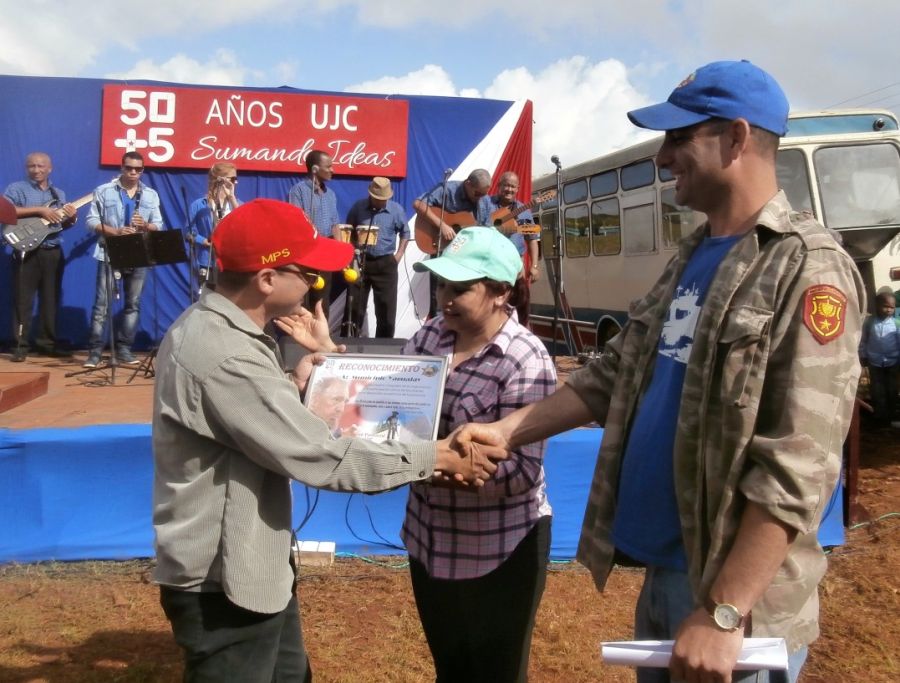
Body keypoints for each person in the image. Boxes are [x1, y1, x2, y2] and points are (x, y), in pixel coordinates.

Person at [457, 60, 865, 683]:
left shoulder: (808, 269)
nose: (662, 158)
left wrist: (725, 610)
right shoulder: (693, 257)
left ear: (735, 138)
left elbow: (799, 464)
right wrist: (508, 431)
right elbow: (615, 374)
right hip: (668, 576)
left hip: (732, 607)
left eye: (679, 139)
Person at [152, 199, 507, 682]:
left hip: (253, 566)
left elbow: (258, 426)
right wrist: (436, 454)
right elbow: (322, 458)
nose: (319, 283)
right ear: (267, 280)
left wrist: (299, 383)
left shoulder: (223, 333)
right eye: (309, 271)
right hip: (225, 583)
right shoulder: (225, 355)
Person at [403, 226, 557, 682]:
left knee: (497, 673)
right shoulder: (431, 336)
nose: (445, 297)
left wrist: (431, 464)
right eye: (441, 284)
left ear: (500, 293)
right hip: (428, 537)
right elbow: (393, 404)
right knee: (450, 667)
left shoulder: (526, 359)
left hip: (499, 548)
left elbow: (522, 472)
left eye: (460, 288)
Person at [83, 151, 163, 367]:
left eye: (138, 169)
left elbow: (158, 224)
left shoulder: (150, 195)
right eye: (129, 168)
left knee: (133, 304)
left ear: (143, 170)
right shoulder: (104, 191)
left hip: (138, 252)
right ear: (122, 167)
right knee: (101, 305)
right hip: (110, 250)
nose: (133, 172)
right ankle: (95, 352)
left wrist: (145, 226)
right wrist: (115, 231)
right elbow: (91, 221)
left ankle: (124, 349)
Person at [4, 152, 77, 362]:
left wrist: (70, 219)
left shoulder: (59, 193)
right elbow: (6, 212)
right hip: (25, 251)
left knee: (50, 300)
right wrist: (40, 210)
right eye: (31, 166)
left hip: (52, 250)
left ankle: (47, 344)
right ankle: (20, 345)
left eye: (40, 166)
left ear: (49, 168)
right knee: (23, 301)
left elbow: (59, 225)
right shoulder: (16, 189)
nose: (36, 170)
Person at [413, 169, 492, 316]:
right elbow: (418, 204)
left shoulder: (484, 201)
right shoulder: (448, 189)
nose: (480, 198)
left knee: (464, 294)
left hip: (467, 255)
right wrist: (442, 225)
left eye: (484, 194)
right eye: (477, 193)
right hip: (443, 250)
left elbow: (487, 228)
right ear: (468, 183)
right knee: (440, 294)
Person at [344, 176, 409, 337]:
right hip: (361, 261)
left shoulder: (396, 210)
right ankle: (350, 341)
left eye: (384, 199)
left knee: (386, 307)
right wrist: (352, 254)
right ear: (371, 196)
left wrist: (399, 255)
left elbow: (405, 233)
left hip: (386, 262)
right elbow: (348, 230)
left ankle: (384, 344)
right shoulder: (359, 208)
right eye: (379, 199)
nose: (382, 202)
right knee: (354, 305)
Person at [288, 150, 341, 316]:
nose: (333, 170)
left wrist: (338, 249)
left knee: (322, 298)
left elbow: (335, 224)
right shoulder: (298, 191)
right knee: (303, 297)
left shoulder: (330, 194)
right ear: (315, 169)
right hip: (306, 251)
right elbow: (296, 222)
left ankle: (321, 336)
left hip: (325, 252)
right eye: (329, 166)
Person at [483, 171, 541, 325]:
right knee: (489, 309)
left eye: (512, 186)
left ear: (518, 189)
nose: (509, 189)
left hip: (515, 269)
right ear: (499, 186)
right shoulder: (485, 204)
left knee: (519, 310)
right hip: (489, 267)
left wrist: (534, 265)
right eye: (506, 185)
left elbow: (532, 239)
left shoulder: (524, 211)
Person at [186, 162, 240, 291]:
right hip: (207, 260)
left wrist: (231, 197)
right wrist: (204, 241)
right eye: (233, 179)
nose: (236, 183)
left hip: (231, 260)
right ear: (221, 180)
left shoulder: (237, 204)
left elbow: (245, 225)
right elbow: (188, 231)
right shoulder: (199, 205)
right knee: (206, 296)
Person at [859, 290, 900, 427]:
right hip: (875, 362)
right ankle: (879, 416)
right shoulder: (869, 322)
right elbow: (863, 340)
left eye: (892, 307)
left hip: (892, 362)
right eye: (885, 306)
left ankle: (892, 415)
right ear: (877, 305)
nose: (889, 310)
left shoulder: (897, 324)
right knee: (877, 389)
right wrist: (863, 355)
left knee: (892, 388)